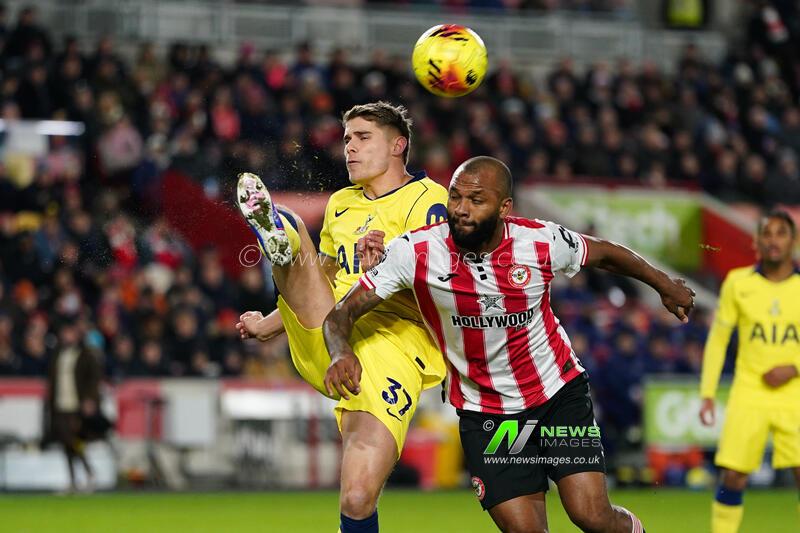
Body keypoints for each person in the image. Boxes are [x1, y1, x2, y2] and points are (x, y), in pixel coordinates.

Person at [323, 156, 696, 532]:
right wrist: (341, 352)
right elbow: (341, 313)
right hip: (486, 414)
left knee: (591, 516)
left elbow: (606, 253)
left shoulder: (540, 242)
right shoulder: (415, 252)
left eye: (476, 200)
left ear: (504, 208)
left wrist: (664, 284)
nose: (461, 209)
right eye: (455, 197)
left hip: (556, 396)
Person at [235, 101, 448, 533]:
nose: (348, 147)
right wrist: (267, 326)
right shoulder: (340, 204)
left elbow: (442, 293)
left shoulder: (429, 202)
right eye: (347, 138)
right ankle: (279, 231)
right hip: (330, 335)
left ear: (398, 146)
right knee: (297, 235)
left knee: (356, 498)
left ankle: (283, 234)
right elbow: (326, 280)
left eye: (362, 137)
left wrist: (384, 273)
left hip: (394, 346)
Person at [699, 209, 800, 533]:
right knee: (733, 476)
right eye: (767, 234)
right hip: (749, 391)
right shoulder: (737, 283)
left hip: (795, 395)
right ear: (756, 241)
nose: (773, 241)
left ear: (793, 241)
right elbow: (718, 340)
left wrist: (794, 368)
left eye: (781, 234)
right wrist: (707, 393)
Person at [46, 320, 102, 493]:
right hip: (60, 404)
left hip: (76, 404)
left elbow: (94, 379)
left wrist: (90, 399)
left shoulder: (86, 355)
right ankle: (74, 480)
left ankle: (88, 472)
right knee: (65, 442)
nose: (67, 336)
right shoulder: (57, 354)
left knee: (75, 440)